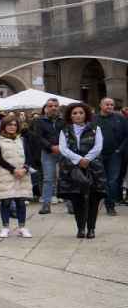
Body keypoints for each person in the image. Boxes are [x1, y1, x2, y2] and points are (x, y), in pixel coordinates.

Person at [58, 102, 106, 239]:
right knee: (77, 199)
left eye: (80, 113)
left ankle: (91, 228)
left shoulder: (95, 129)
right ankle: (80, 228)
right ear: (70, 116)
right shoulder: (65, 130)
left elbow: (98, 146)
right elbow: (63, 148)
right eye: (74, 113)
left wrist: (87, 159)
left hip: (93, 168)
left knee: (93, 198)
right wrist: (79, 159)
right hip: (73, 168)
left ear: (86, 114)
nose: (78, 115)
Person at [0, 115, 33, 239]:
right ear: (4, 126)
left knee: (21, 201)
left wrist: (25, 168)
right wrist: (13, 170)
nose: (12, 127)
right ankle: (5, 227)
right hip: (6, 174)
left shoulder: (22, 140)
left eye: (14, 125)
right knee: (6, 201)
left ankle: (22, 227)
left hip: (22, 174)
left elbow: (29, 156)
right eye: (9, 124)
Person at [96, 98, 127, 216]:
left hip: (115, 154)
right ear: (100, 105)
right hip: (97, 154)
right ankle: (96, 203)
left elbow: (126, 135)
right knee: (99, 180)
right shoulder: (94, 119)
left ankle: (110, 205)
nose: (109, 106)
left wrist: (120, 149)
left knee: (112, 180)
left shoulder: (120, 118)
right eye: (107, 104)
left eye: (111, 105)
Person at [32, 98, 63, 215]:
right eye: (50, 106)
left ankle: (71, 205)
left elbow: (67, 134)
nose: (53, 108)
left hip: (63, 152)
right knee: (48, 179)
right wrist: (51, 147)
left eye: (56, 105)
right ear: (46, 108)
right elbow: (38, 137)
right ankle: (46, 205)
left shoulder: (63, 120)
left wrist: (61, 146)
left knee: (65, 178)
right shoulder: (39, 121)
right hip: (47, 153)